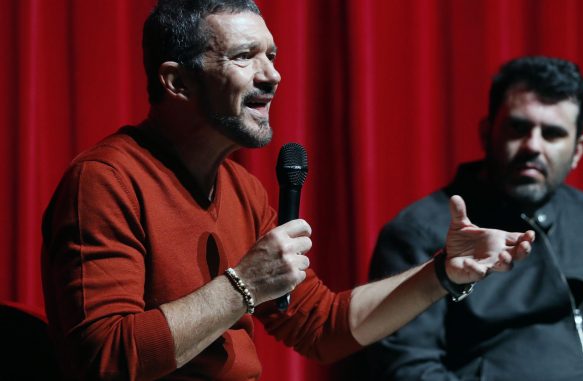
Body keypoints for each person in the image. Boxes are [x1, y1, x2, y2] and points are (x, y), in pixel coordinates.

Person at [39, 1, 535, 380]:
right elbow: (102, 357)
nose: (272, 75)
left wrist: (443, 272)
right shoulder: (105, 180)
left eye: (272, 55)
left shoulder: (243, 189)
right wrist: (244, 286)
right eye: (244, 57)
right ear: (177, 82)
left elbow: (323, 328)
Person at [365, 55, 583, 381]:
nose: (533, 146)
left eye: (553, 134)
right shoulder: (419, 233)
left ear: (578, 151)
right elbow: (407, 368)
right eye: (518, 127)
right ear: (487, 134)